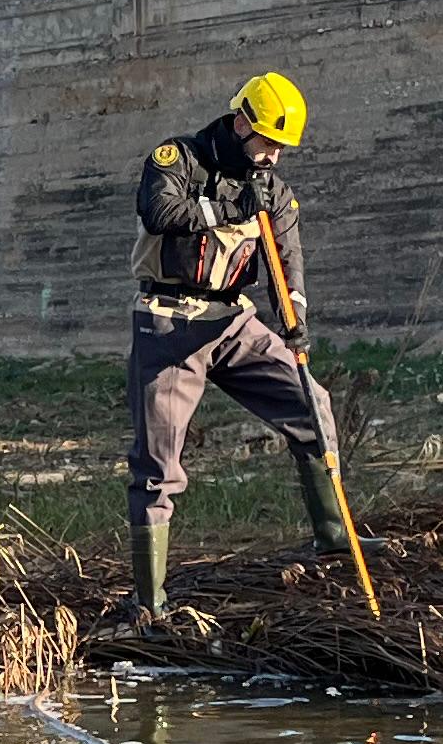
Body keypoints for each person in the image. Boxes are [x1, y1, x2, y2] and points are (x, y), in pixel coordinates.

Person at [123, 69, 345, 616]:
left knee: (313, 405)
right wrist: (227, 210)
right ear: (241, 122)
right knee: (159, 466)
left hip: (233, 322)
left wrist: (295, 316)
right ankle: (149, 603)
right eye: (267, 141)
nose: (272, 156)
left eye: (281, 147)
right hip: (170, 321)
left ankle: (335, 539)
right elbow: (159, 212)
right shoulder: (178, 159)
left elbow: (285, 260)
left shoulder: (275, 190)